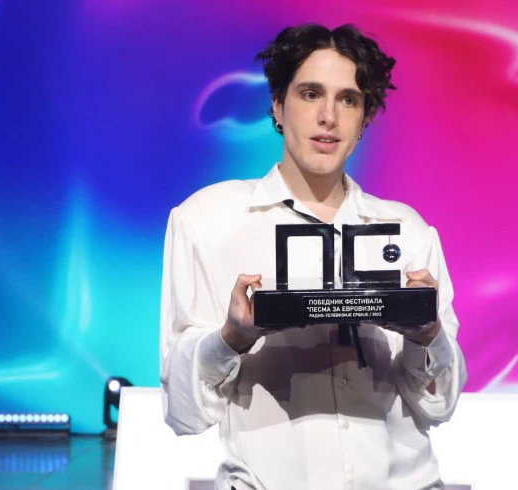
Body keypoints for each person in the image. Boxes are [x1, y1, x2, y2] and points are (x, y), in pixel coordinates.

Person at [160, 23, 467, 490]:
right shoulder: (206, 220)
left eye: (348, 99)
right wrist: (230, 339)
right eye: (310, 94)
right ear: (277, 106)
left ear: (365, 118)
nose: (328, 116)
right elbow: (184, 412)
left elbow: (439, 406)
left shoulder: (407, 230)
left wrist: (428, 337)